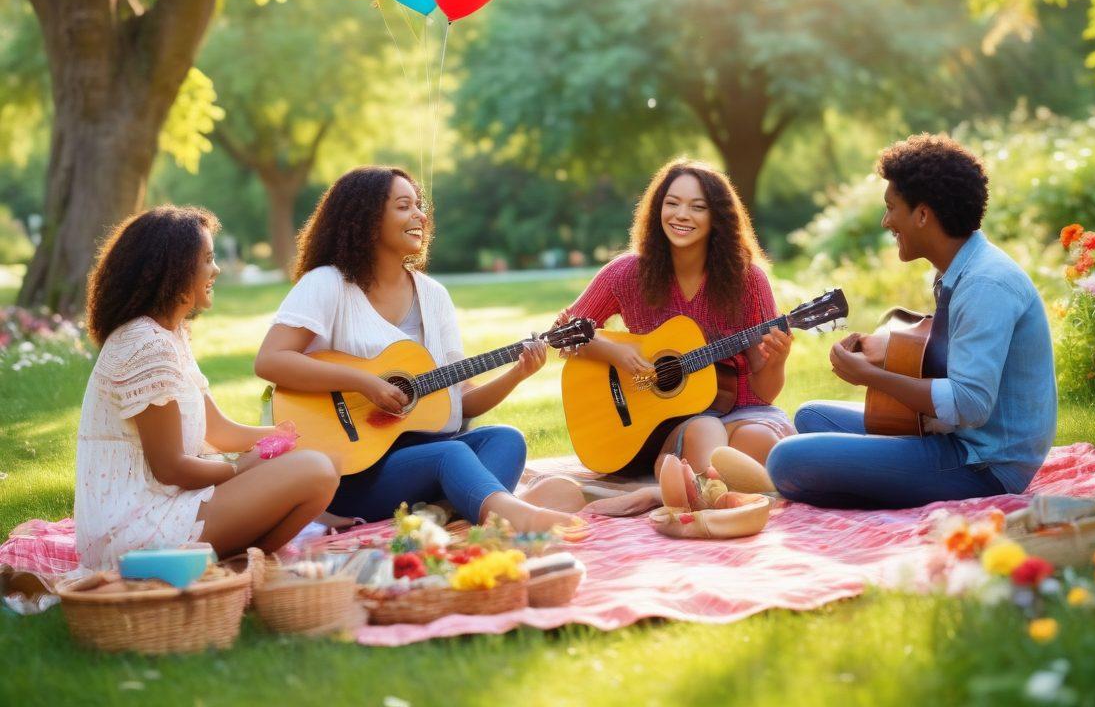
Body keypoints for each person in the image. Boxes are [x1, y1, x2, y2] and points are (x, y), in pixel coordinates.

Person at [254, 166, 574, 533]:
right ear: (367, 218)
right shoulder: (327, 284)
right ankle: (509, 516)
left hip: (419, 459)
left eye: (419, 205)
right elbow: (271, 360)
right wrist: (363, 382)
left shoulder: (434, 296)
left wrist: (517, 373)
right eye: (404, 206)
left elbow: (460, 402)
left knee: (506, 440)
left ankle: (441, 515)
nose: (420, 215)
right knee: (452, 454)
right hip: (350, 470)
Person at [768, 134, 1058, 508]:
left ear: (922, 215)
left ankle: (887, 488)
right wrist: (882, 351)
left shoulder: (986, 283)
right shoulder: (962, 268)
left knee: (787, 460)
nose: (886, 221)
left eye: (891, 208)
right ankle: (887, 482)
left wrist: (870, 377)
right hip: (956, 438)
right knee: (811, 417)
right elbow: (957, 353)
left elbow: (969, 404)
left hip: (985, 464)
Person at [75, 207, 338, 570]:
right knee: (315, 471)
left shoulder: (170, 335)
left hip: (167, 505)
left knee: (319, 460)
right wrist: (240, 470)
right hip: (137, 529)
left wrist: (288, 437)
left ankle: (235, 567)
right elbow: (171, 469)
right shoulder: (145, 345)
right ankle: (233, 568)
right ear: (176, 268)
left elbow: (220, 430)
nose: (216, 271)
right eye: (208, 260)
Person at [549, 159, 794, 514]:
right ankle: (688, 488)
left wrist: (779, 360)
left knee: (765, 446)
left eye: (698, 207)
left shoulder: (749, 281)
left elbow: (765, 392)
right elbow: (560, 334)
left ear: (717, 218)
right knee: (708, 431)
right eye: (672, 203)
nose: (682, 215)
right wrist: (613, 353)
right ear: (657, 208)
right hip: (674, 422)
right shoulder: (626, 273)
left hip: (744, 410)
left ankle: (667, 491)